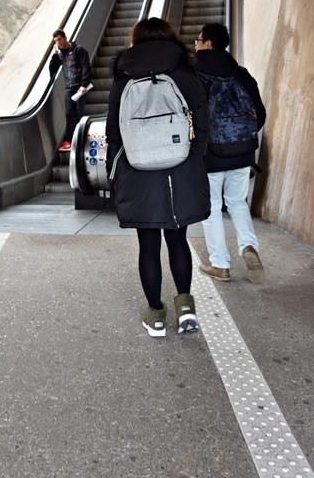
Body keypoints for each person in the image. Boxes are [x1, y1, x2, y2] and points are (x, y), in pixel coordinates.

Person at [106, 17, 210, 337]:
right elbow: (203, 123)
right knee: (178, 240)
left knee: (147, 246)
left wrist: (117, 175)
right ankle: (186, 308)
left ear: (136, 41)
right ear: (171, 38)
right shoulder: (185, 73)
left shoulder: (124, 79)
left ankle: (156, 317)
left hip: (138, 173)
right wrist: (194, 159)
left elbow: (114, 133)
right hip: (181, 170)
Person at [194, 22, 266, 282]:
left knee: (211, 208)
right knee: (237, 202)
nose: (196, 44)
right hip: (242, 152)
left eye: (198, 40)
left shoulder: (195, 74)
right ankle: (248, 246)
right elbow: (260, 115)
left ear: (208, 43)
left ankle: (220, 264)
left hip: (210, 154)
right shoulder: (241, 73)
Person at [49, 29, 91, 151]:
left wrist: (84, 84)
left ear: (65, 37)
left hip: (80, 87)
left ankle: (82, 139)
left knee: (78, 112)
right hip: (69, 88)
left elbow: (86, 67)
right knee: (69, 113)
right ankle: (69, 140)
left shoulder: (79, 50)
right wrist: (55, 54)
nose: (58, 43)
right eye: (55, 41)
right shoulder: (60, 54)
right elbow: (52, 71)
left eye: (59, 39)